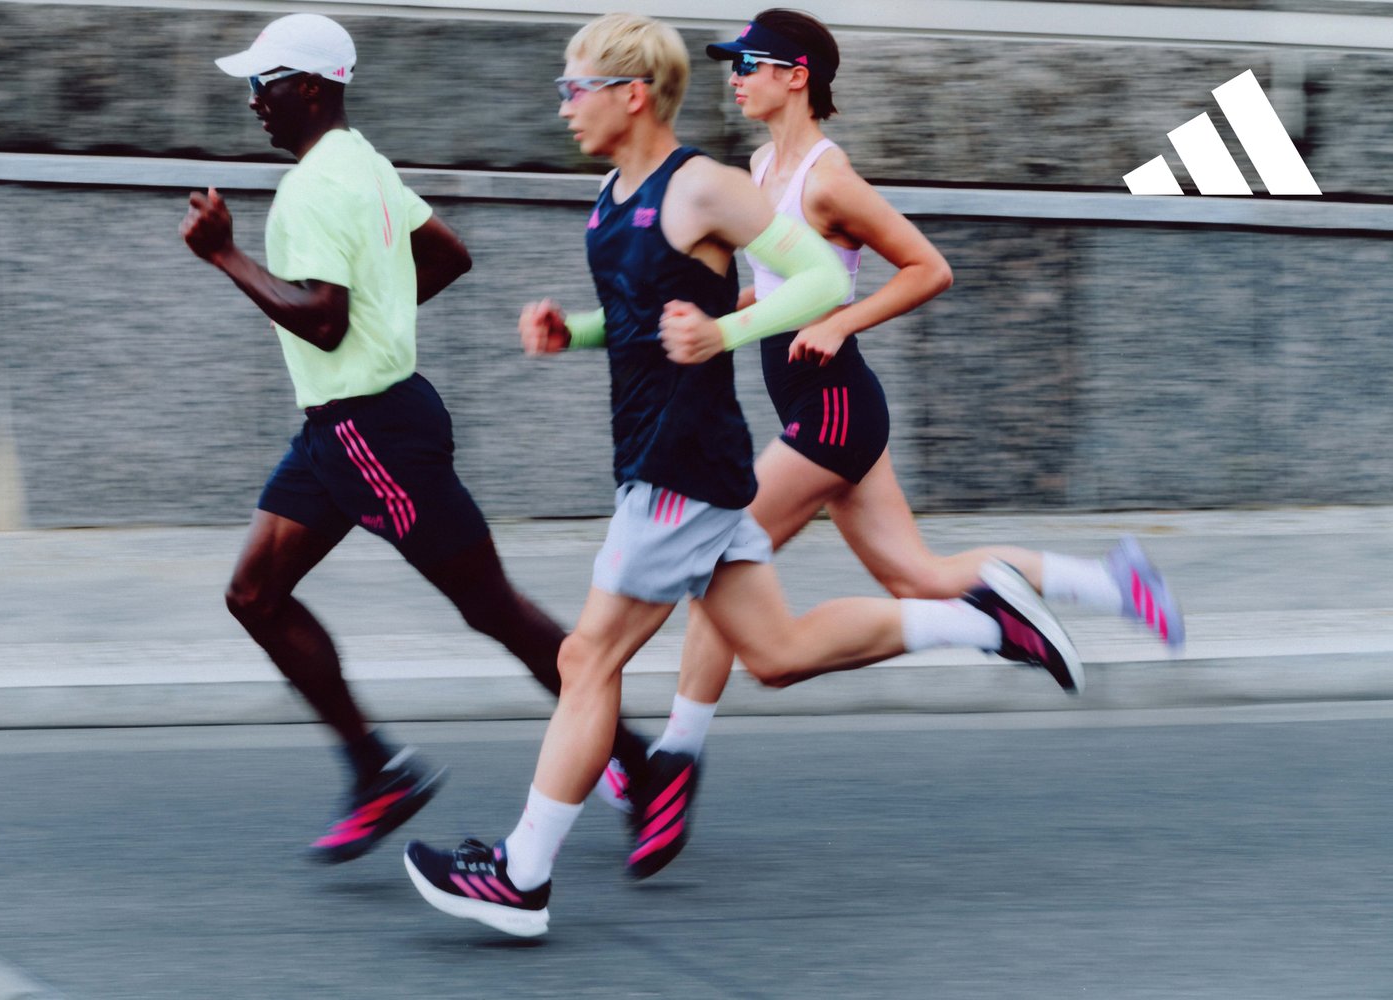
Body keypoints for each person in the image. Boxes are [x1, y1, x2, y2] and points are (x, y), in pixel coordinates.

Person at [403, 12, 1083, 938]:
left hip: (679, 462)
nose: (561, 105)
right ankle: (978, 618)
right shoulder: (613, 192)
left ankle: (522, 875)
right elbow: (648, 315)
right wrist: (581, 333)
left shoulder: (705, 189)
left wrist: (724, 333)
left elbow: (818, 284)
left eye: (574, 87)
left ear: (631, 94)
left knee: (586, 657)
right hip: (671, 456)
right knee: (776, 654)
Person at [587, 9, 1187, 866]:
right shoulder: (761, 166)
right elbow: (774, 288)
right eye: (732, 65)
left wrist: (840, 324)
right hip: (828, 408)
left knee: (719, 556)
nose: (735, 77)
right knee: (916, 574)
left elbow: (928, 267)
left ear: (797, 75)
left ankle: (676, 758)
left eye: (750, 64)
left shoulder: (829, 179)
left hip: (830, 406)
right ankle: (1113, 582)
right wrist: (709, 321)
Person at [180, 13, 651, 866]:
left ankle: (638, 762)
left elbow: (323, 320)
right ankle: (375, 770)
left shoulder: (319, 186)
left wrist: (225, 256)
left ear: (313, 88)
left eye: (265, 83)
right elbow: (446, 256)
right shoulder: (363, 165)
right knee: (253, 594)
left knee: (492, 607)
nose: (253, 102)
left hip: (373, 432)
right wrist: (381, 326)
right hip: (342, 428)